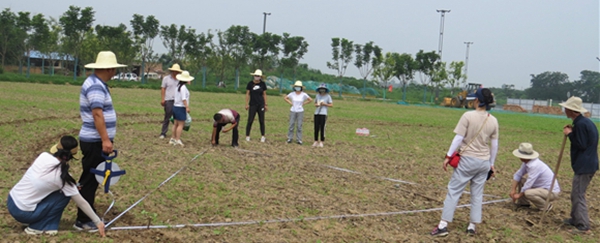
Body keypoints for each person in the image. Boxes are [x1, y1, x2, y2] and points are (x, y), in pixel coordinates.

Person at [431, 88, 499, 237]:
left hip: (467, 160)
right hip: (483, 162)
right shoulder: (493, 120)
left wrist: (448, 156)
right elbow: (494, 145)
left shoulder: (467, 116)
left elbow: (458, 138)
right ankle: (472, 226)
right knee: (477, 194)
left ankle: (443, 225)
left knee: (454, 191)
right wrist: (491, 164)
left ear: (476, 100)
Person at [7, 136, 105, 236]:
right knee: (65, 195)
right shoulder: (64, 178)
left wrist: (71, 186)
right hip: (23, 213)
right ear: (71, 157)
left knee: (62, 191)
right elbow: (82, 202)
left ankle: (34, 219)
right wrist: (98, 222)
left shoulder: (43, 156)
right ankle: (38, 227)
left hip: (11, 201)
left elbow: (45, 180)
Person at [77, 51, 125, 231]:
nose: (115, 73)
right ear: (110, 69)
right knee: (89, 179)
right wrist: (105, 139)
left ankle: (87, 213)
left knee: (92, 179)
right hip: (95, 141)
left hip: (96, 140)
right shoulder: (96, 86)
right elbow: (97, 114)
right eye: (114, 69)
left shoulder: (98, 84)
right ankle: (83, 219)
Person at [560, 96, 598, 234]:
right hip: (587, 163)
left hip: (585, 165)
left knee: (578, 194)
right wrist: (573, 131)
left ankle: (583, 226)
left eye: (566, 108)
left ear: (571, 110)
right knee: (576, 193)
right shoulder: (584, 123)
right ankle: (575, 218)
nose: (564, 110)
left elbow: (581, 144)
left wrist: (570, 134)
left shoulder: (581, 124)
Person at [509, 143, 560, 211]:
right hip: (540, 188)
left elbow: (529, 183)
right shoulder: (526, 163)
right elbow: (518, 175)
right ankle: (523, 203)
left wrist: (519, 195)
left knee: (528, 193)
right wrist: (513, 190)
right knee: (521, 180)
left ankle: (546, 206)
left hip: (551, 192)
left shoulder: (534, 165)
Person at [169, 71, 194, 147]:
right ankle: (177, 139)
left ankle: (173, 138)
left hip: (175, 106)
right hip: (180, 107)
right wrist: (187, 107)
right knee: (180, 125)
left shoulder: (178, 86)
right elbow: (184, 99)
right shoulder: (183, 88)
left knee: (175, 124)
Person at [159, 64, 183, 139]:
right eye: (174, 71)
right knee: (167, 116)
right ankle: (163, 132)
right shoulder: (166, 79)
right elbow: (163, 89)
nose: (175, 72)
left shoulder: (180, 80)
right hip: (169, 99)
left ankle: (176, 133)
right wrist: (163, 99)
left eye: (177, 71)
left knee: (177, 118)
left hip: (178, 101)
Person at [245, 69, 268, 143]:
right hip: (252, 104)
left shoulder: (263, 84)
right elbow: (248, 94)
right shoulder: (250, 84)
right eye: (255, 75)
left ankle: (263, 136)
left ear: (260, 77)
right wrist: (246, 104)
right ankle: (247, 136)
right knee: (250, 120)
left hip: (260, 104)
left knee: (261, 120)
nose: (257, 77)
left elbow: (264, 94)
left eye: (258, 76)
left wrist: (265, 104)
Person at [313, 83, 333, 147]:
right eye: (321, 89)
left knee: (322, 127)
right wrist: (317, 105)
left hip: (323, 113)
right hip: (317, 113)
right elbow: (315, 103)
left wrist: (325, 104)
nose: (322, 90)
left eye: (323, 89)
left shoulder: (328, 96)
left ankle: (321, 141)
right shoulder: (317, 96)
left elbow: (331, 105)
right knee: (316, 127)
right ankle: (315, 141)